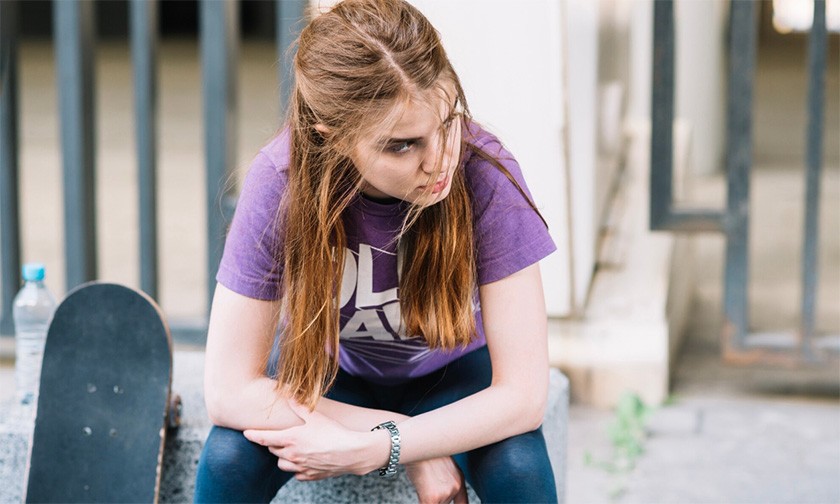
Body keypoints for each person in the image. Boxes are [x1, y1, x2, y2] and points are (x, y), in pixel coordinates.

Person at [194, 0, 558, 502]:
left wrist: (381, 447)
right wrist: (405, 441)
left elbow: (523, 396)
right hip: (331, 374)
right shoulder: (282, 181)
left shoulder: (483, 172)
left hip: (454, 375)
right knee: (228, 459)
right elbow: (228, 390)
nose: (440, 160)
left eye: (448, 121)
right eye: (402, 145)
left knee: (520, 469)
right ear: (334, 138)